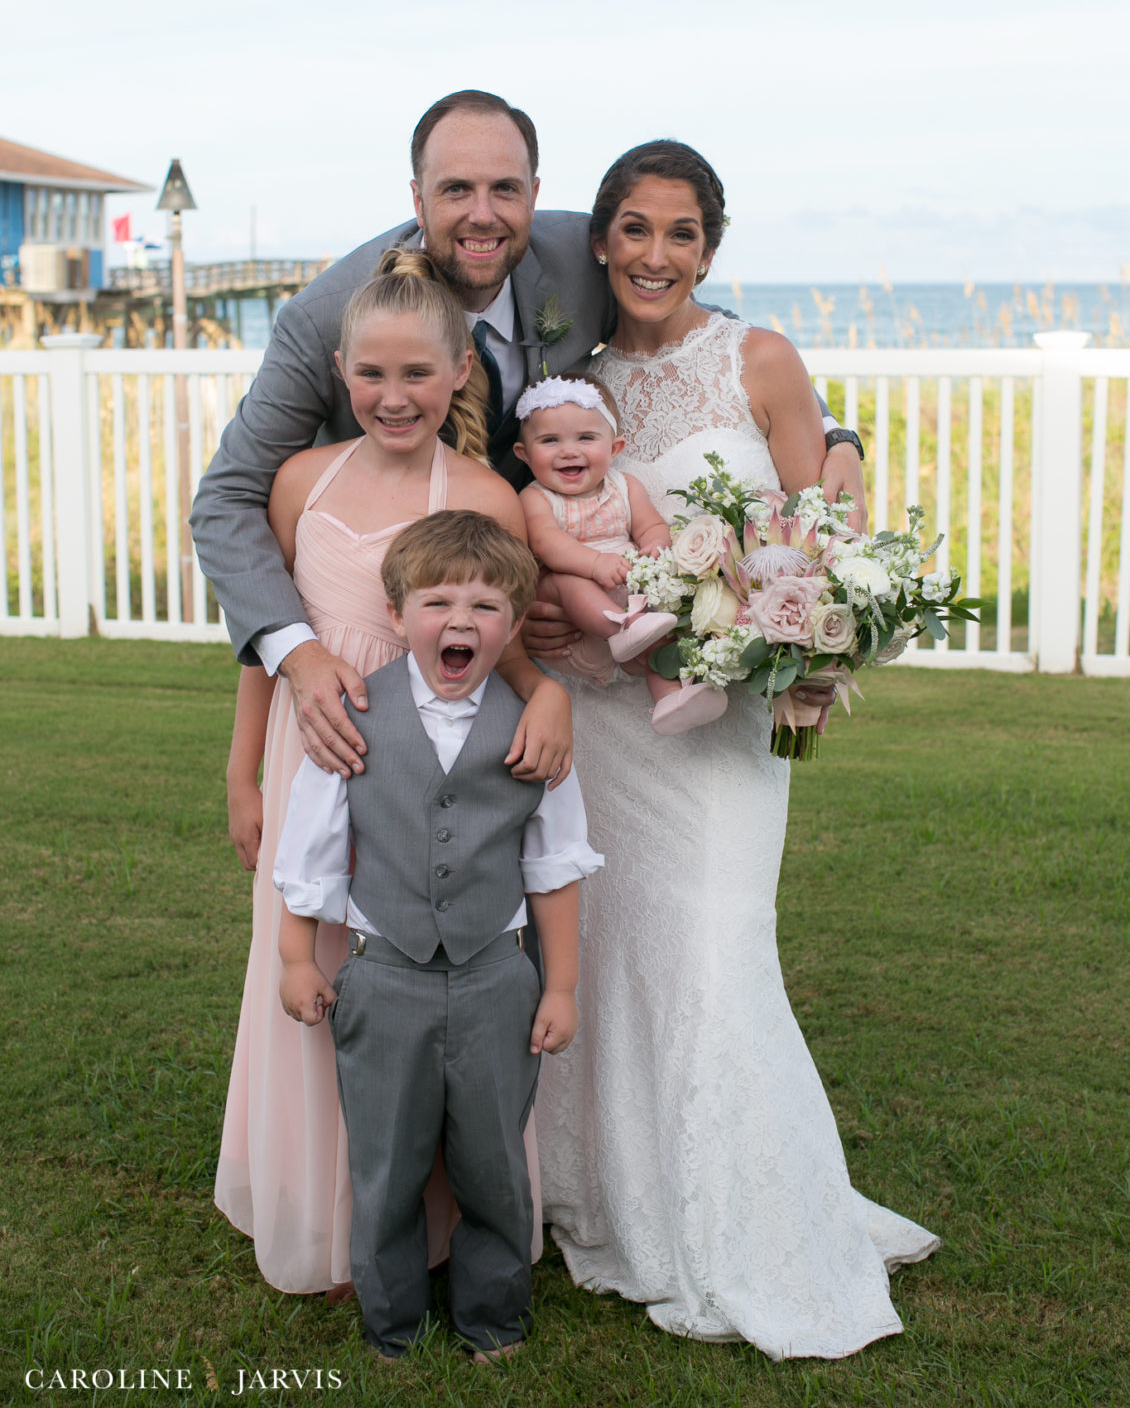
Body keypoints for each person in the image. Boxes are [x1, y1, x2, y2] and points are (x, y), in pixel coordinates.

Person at [536, 142, 939, 1359]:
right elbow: (545, 511)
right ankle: (617, 1198)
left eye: (681, 233)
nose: (656, 254)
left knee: (714, 944)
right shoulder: (577, 380)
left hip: (722, 735)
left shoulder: (757, 358)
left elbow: (823, 518)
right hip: (601, 716)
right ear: (601, 237)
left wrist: (809, 635)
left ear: (709, 247)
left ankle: (743, 1227)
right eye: (634, 229)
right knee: (610, 949)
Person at [190, 90, 866, 782]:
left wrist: (838, 433)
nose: (483, 214)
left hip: (541, 644)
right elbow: (227, 500)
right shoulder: (328, 318)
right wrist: (297, 653)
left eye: (504, 189)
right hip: (387, 636)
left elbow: (697, 324)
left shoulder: (583, 255)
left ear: (534, 194)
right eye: (457, 189)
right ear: (418, 199)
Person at [218, 252, 570, 1296]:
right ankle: (324, 1212)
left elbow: (504, 649)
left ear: (460, 373)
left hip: (428, 770)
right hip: (309, 753)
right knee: (314, 963)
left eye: (417, 374)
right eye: (370, 374)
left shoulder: (479, 495)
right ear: (338, 369)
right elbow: (264, 641)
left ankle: (441, 1212)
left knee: (422, 980)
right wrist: (245, 773)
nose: (392, 396)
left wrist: (547, 694)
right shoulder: (297, 482)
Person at [274, 510, 603, 1360]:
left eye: (488, 606)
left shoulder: (536, 726)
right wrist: (295, 955)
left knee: (493, 1158)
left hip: (499, 977)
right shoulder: (354, 712)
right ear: (397, 613)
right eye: (439, 601)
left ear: (515, 623)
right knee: (386, 1158)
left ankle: (492, 1314)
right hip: (384, 978)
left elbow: (554, 866)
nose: (461, 621)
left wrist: (559, 985)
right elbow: (310, 847)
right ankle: (391, 1321)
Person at [513, 374, 725, 734]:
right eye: (550, 440)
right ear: (524, 454)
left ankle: (671, 699)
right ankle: (621, 626)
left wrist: (655, 547)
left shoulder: (625, 487)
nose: (569, 450)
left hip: (636, 612)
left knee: (662, 640)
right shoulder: (535, 498)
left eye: (586, 438)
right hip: (574, 622)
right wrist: (595, 563)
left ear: (615, 448)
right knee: (567, 581)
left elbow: (652, 527)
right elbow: (546, 542)